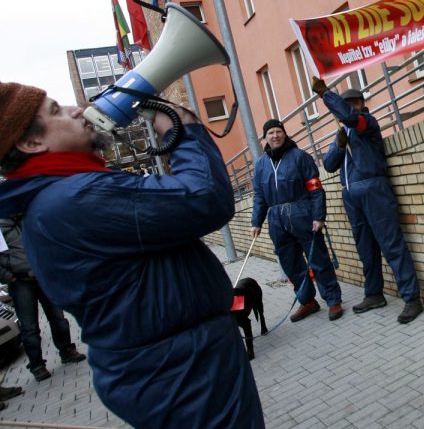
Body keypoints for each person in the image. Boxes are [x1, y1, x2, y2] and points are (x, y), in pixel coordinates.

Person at [0, 82, 264, 428]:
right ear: (31, 142)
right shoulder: (74, 198)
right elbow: (204, 197)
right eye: (55, 111)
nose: (76, 110)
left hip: (179, 360)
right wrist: (184, 130)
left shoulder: (60, 195)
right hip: (181, 369)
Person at [312, 78, 424, 324]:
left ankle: (412, 298)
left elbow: (351, 117)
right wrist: (339, 146)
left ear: (361, 105)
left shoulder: (366, 123)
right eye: (347, 103)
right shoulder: (344, 131)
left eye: (354, 103)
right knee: (366, 249)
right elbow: (329, 166)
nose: (351, 107)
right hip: (351, 195)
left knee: (391, 244)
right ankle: (374, 294)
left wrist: (326, 95)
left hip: (374, 189)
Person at [250, 119, 343, 322]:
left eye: (278, 131)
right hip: (276, 221)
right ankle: (307, 301)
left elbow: (316, 189)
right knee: (291, 264)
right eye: (270, 133)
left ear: (284, 133)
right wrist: (256, 222)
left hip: (303, 215)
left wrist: (319, 216)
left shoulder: (300, 157)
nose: (275, 136)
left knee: (318, 260)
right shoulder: (260, 165)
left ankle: (333, 300)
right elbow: (259, 196)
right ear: (264, 138)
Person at [0, 216, 87, 381]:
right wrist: (8, 276)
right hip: (19, 281)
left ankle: (67, 350)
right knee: (29, 326)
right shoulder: (1, 227)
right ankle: (37, 365)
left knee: (58, 317)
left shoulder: (29, 216)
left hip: (43, 275)